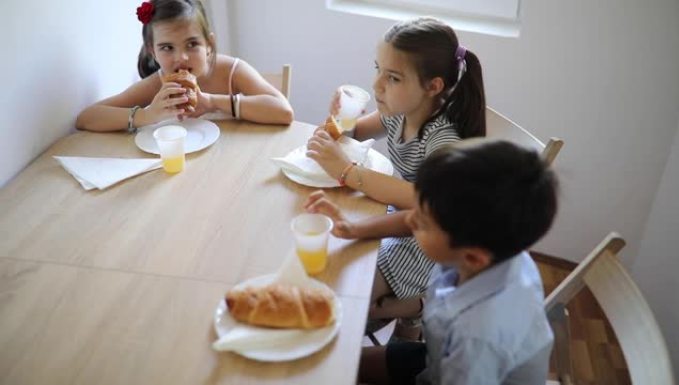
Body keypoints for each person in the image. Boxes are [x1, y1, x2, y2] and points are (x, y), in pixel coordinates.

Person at [306, 139, 559, 385]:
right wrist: (353, 228)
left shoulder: (479, 336)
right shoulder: (490, 249)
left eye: (423, 223)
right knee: (343, 362)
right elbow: (410, 220)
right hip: (436, 359)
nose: (411, 220)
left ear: (472, 257)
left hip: (460, 369)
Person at [305, 17, 486, 338]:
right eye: (378, 70)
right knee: (328, 264)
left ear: (433, 86)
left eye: (392, 78)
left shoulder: (442, 141)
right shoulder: (398, 111)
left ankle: (416, 306)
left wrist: (346, 171)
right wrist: (338, 120)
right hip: (394, 219)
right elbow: (355, 133)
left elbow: (423, 200)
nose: (376, 85)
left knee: (344, 297)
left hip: (424, 244)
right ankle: (408, 312)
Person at [76, 0, 293, 132]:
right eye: (167, 48)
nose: (182, 58)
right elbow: (87, 118)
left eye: (192, 44)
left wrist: (211, 101)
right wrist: (147, 115)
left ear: (209, 44)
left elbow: (283, 112)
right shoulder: (157, 84)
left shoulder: (232, 72)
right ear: (152, 51)